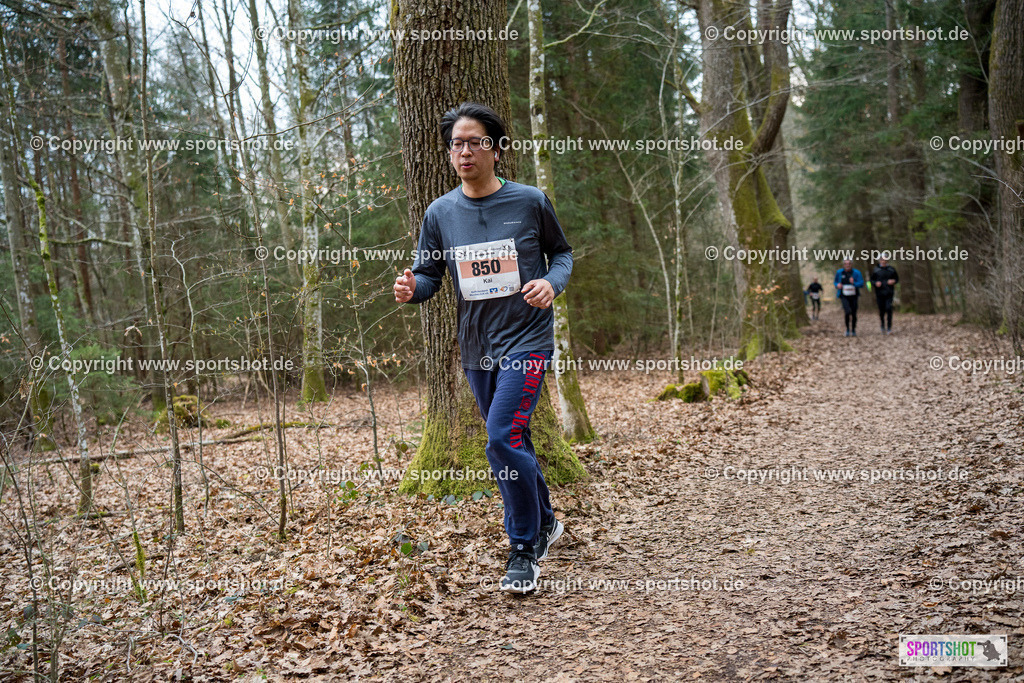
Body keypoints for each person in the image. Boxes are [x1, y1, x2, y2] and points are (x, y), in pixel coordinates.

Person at [393, 102, 573, 594]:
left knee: (498, 436)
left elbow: (562, 253)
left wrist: (551, 284)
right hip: (477, 347)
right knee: (515, 438)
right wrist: (414, 289)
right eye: (456, 144)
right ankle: (548, 522)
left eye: (475, 142)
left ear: (496, 149)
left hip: (528, 339)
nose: (464, 151)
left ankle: (523, 549)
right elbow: (429, 274)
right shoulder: (441, 213)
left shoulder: (530, 201)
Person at [834, 259, 864, 336]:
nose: (847, 265)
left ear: (851, 264)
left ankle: (853, 329)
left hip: (854, 295)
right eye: (846, 264)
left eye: (849, 264)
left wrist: (854, 283)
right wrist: (837, 285)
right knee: (847, 312)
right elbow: (835, 282)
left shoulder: (857, 272)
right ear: (843, 265)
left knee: (854, 313)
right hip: (844, 295)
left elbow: (861, 283)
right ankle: (847, 329)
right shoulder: (839, 272)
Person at [871, 254, 899, 334]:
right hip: (879, 293)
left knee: (889, 308)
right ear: (879, 260)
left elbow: (897, 279)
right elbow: (871, 281)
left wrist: (893, 281)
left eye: (885, 259)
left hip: (889, 292)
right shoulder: (876, 270)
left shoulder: (892, 269)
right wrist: (875, 283)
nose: (883, 261)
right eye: (882, 259)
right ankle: (882, 325)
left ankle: (889, 327)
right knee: (881, 310)